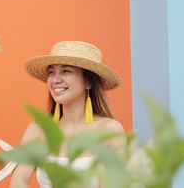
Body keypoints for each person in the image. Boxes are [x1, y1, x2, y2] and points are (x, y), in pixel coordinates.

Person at [9, 40, 124, 188]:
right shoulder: (38, 129)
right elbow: (18, 182)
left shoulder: (109, 130)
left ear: (88, 82)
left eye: (66, 71)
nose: (55, 80)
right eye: (52, 72)